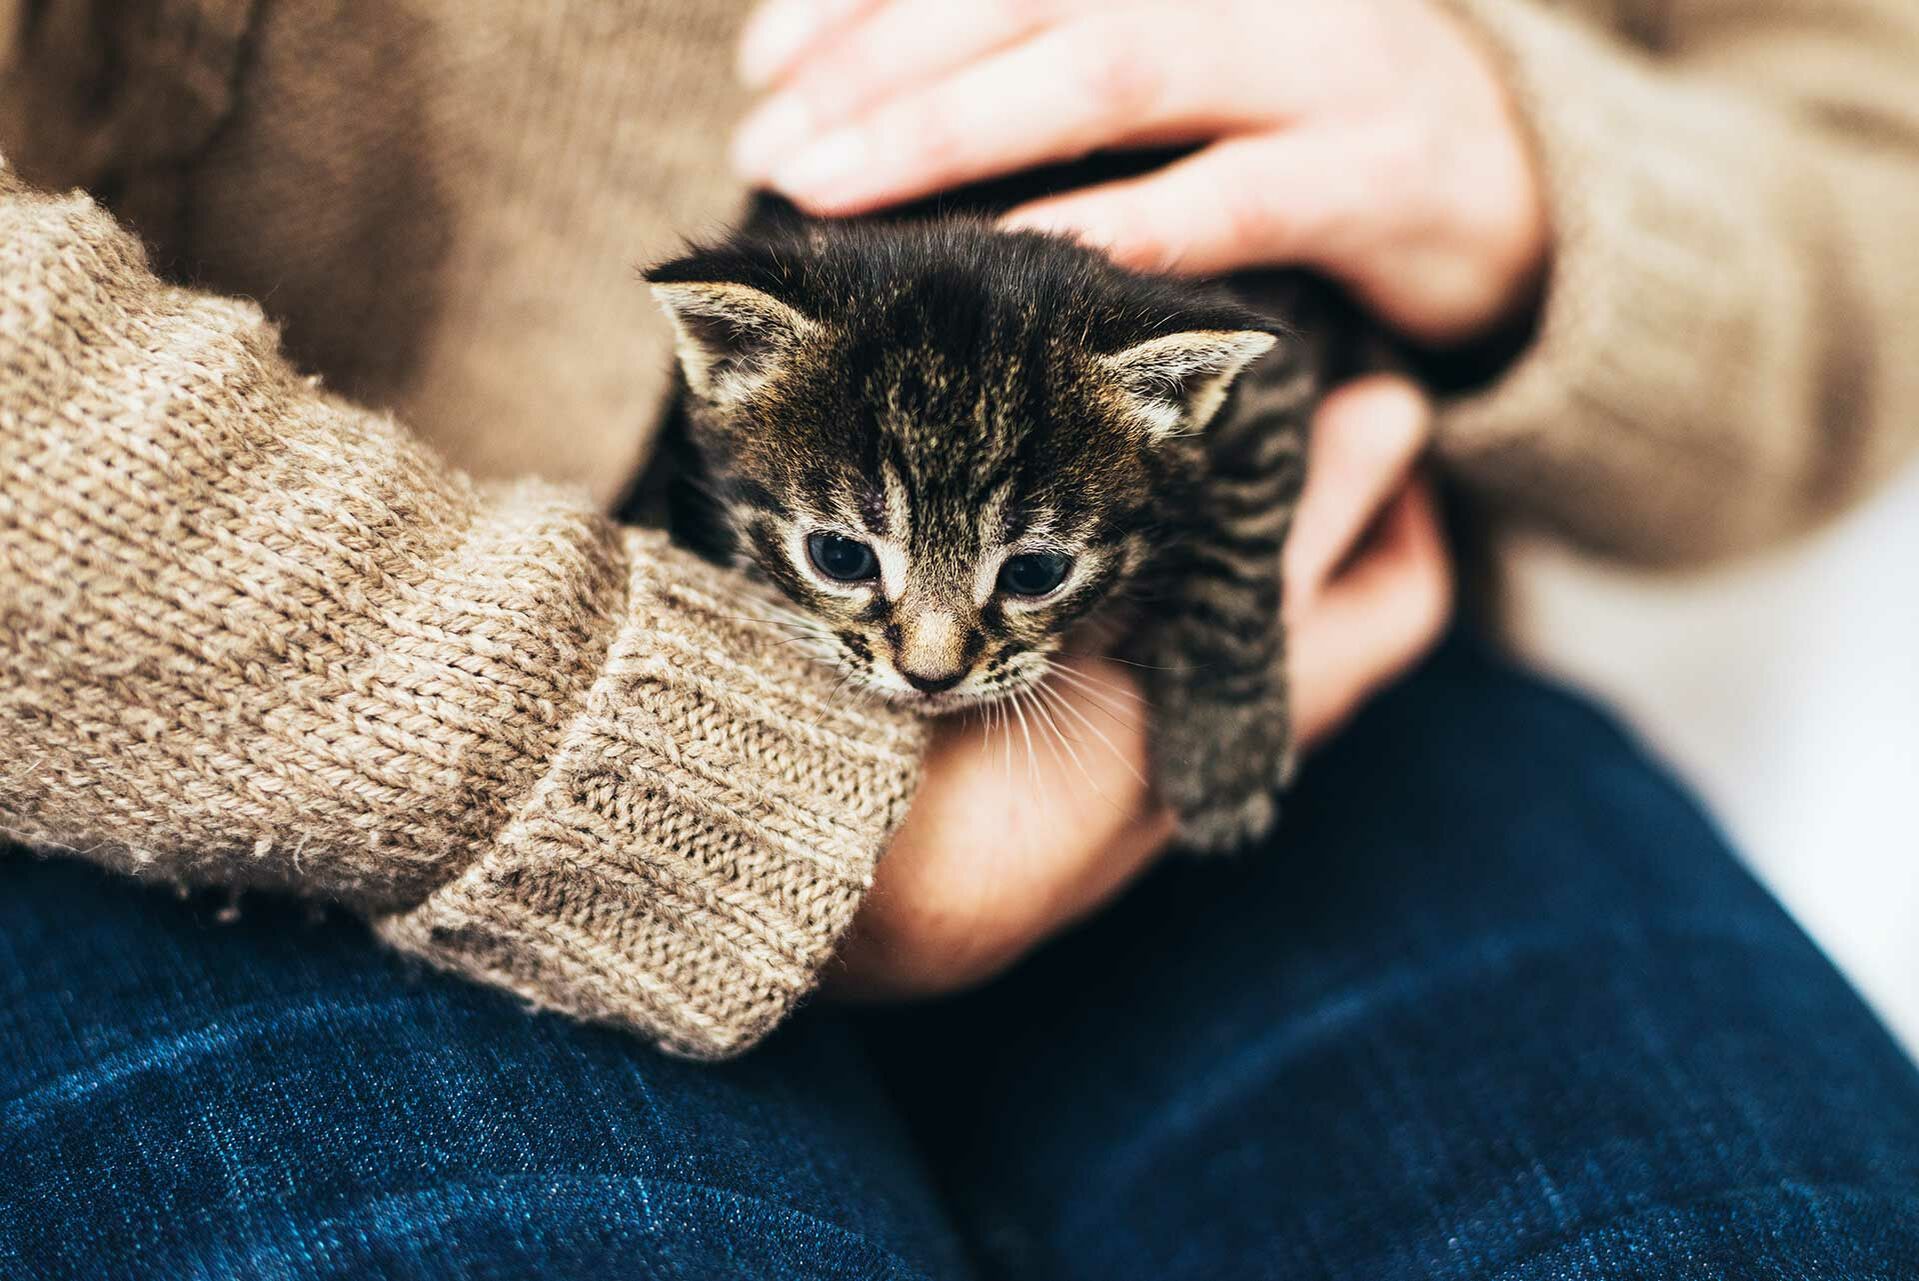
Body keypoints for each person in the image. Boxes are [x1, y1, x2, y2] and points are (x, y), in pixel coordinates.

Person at [1, 1, 1915, 1276]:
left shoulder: (1172, 422)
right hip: (219, 682)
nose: (922, 656)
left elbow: (1869, 127)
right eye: (878, 586)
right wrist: (739, 810)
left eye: (975, 599)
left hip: (1276, 695)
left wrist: (1553, 180)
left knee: (1724, 1228)